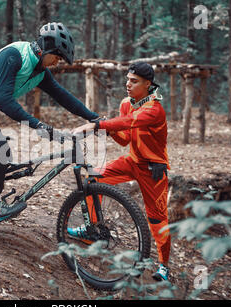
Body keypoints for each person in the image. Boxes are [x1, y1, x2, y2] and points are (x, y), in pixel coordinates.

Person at [0, 22, 100, 227]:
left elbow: (63, 97)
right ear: (46, 49)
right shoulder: (14, 56)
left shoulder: (39, 71)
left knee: (1, 151)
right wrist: (38, 125)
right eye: (57, 57)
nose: (57, 62)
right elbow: (3, 100)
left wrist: (94, 118)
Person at [70, 62, 171, 282]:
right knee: (93, 179)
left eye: (134, 81)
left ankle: (164, 266)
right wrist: (110, 130)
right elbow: (125, 138)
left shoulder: (154, 109)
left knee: (157, 219)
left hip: (153, 169)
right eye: (127, 79)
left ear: (148, 84)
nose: (128, 84)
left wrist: (97, 126)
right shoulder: (127, 103)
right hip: (132, 161)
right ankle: (91, 229)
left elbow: (131, 121)